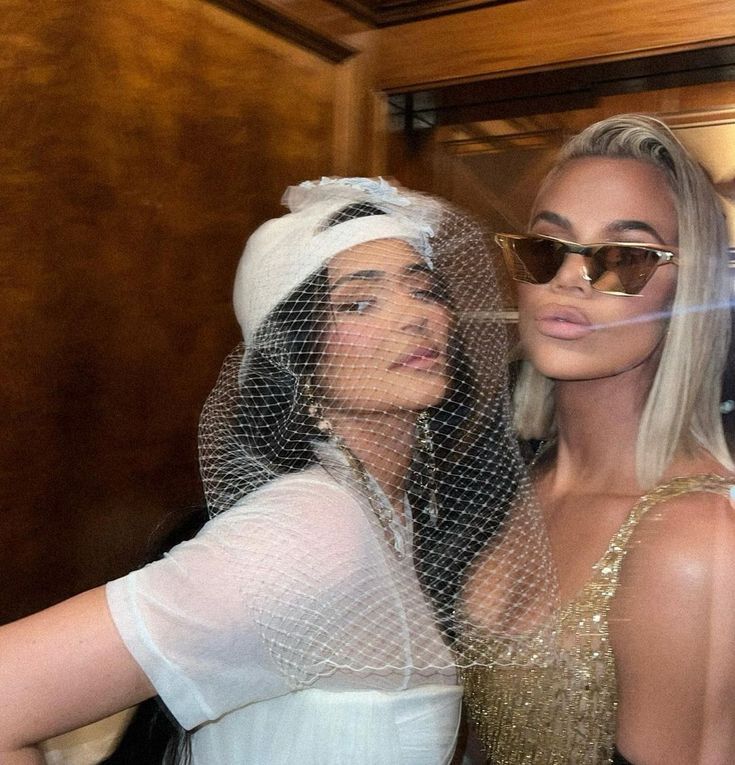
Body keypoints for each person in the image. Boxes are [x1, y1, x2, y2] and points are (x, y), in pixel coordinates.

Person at [0, 177, 553, 764]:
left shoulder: (390, 514)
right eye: (360, 302)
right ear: (299, 358)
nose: (413, 317)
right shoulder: (312, 529)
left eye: (422, 290)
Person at [461, 114, 735, 764]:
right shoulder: (515, 479)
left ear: (684, 291)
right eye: (546, 244)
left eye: (623, 257)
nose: (568, 277)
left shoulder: (696, 539)